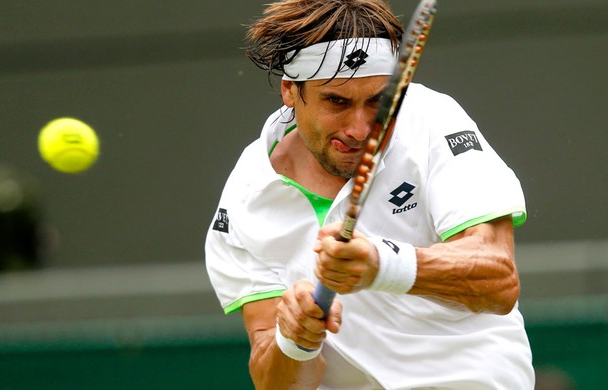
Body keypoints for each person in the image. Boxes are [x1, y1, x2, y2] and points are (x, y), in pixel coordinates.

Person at [205, 0, 535, 388]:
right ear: (291, 91)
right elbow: (272, 381)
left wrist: (383, 263)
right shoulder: (243, 199)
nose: (361, 129)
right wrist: (293, 340)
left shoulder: (433, 122)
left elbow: (497, 279)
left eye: (378, 102)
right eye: (337, 102)